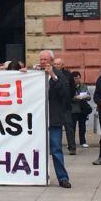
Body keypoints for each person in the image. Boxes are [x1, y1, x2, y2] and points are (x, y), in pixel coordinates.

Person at [38, 50, 71, 188]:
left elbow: (65, 94)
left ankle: (62, 178)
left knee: (56, 148)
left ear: (51, 61)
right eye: (41, 59)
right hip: (38, 120)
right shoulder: (35, 74)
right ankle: (34, 175)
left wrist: (52, 75)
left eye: (45, 59)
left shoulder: (60, 76)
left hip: (53, 119)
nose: (42, 62)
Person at [54, 57, 78, 155]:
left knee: (69, 127)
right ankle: (54, 146)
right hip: (54, 106)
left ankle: (72, 148)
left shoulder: (68, 75)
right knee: (54, 127)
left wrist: (68, 99)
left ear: (63, 65)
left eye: (58, 64)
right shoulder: (50, 74)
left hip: (65, 106)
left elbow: (72, 89)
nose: (56, 66)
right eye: (54, 64)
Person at [70, 71, 92, 148]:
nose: (77, 80)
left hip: (82, 108)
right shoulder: (70, 86)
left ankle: (83, 141)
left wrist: (88, 96)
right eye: (75, 78)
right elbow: (68, 97)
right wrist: (75, 97)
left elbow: (88, 95)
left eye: (78, 78)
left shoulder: (83, 86)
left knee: (82, 126)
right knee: (72, 127)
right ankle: (71, 142)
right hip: (73, 109)